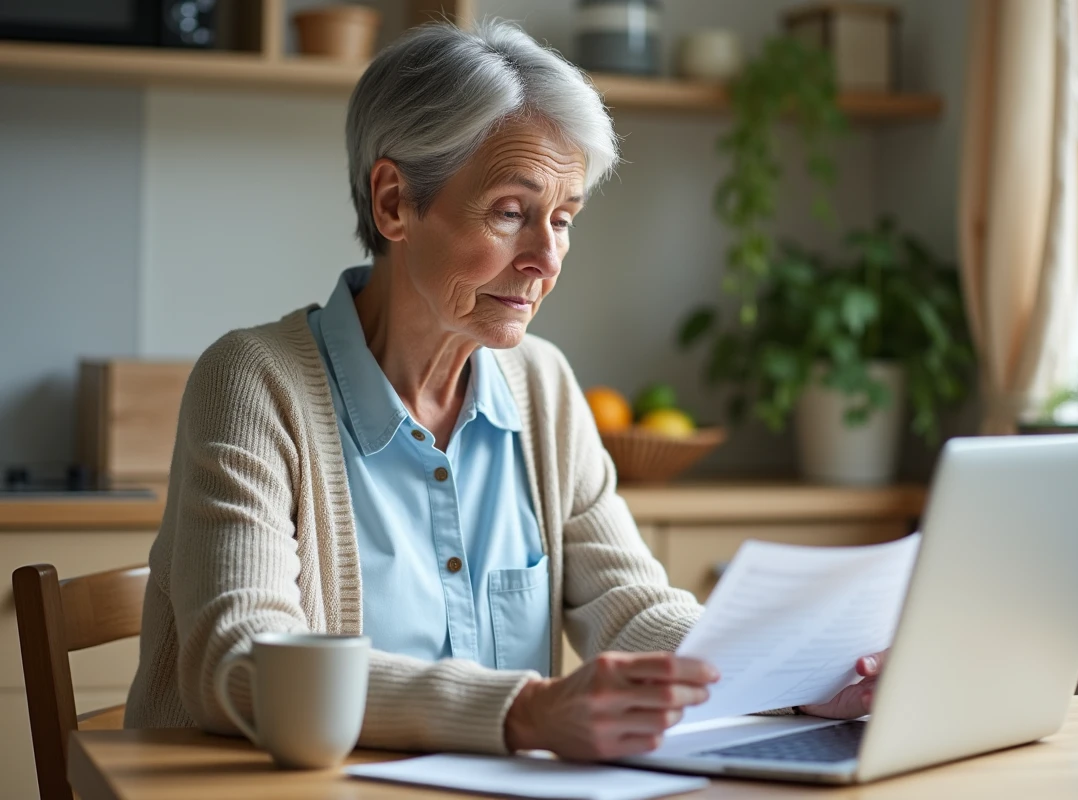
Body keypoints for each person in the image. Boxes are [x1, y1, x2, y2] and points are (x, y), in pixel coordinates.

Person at [124, 19, 881, 760]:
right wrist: (523, 713)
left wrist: (796, 680)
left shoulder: (543, 385)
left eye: (563, 218)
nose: (545, 259)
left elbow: (628, 605)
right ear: (393, 202)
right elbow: (246, 663)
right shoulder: (254, 384)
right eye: (512, 213)